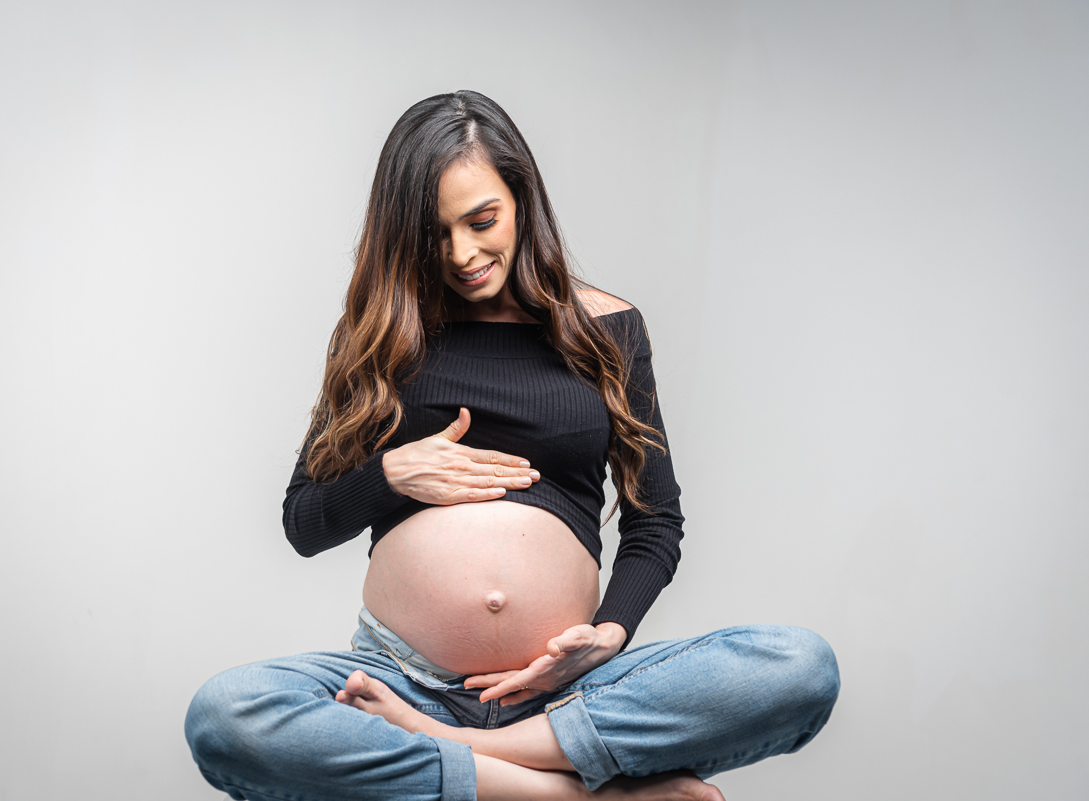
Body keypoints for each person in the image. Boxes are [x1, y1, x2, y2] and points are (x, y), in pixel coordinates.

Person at [185, 90, 839, 801]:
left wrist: (611, 632)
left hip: (570, 697)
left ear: (521, 197)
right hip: (402, 681)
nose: (463, 253)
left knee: (800, 666)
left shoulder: (609, 330)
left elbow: (657, 523)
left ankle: (464, 752)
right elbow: (302, 521)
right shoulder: (382, 334)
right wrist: (392, 472)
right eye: (436, 234)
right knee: (228, 715)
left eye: (481, 219)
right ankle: (574, 793)